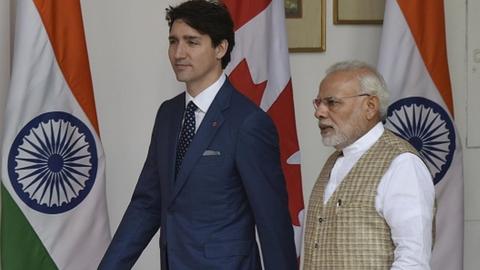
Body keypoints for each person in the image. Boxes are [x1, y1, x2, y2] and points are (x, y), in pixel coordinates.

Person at [99, 1, 297, 269]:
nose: (179, 53)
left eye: (192, 42)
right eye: (173, 41)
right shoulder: (168, 115)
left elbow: (272, 220)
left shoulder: (249, 122)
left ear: (220, 48)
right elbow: (147, 204)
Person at [303, 60, 435, 269]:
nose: (319, 112)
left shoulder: (402, 163)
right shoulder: (333, 161)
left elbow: (413, 260)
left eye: (332, 102)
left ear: (370, 106)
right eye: (318, 103)